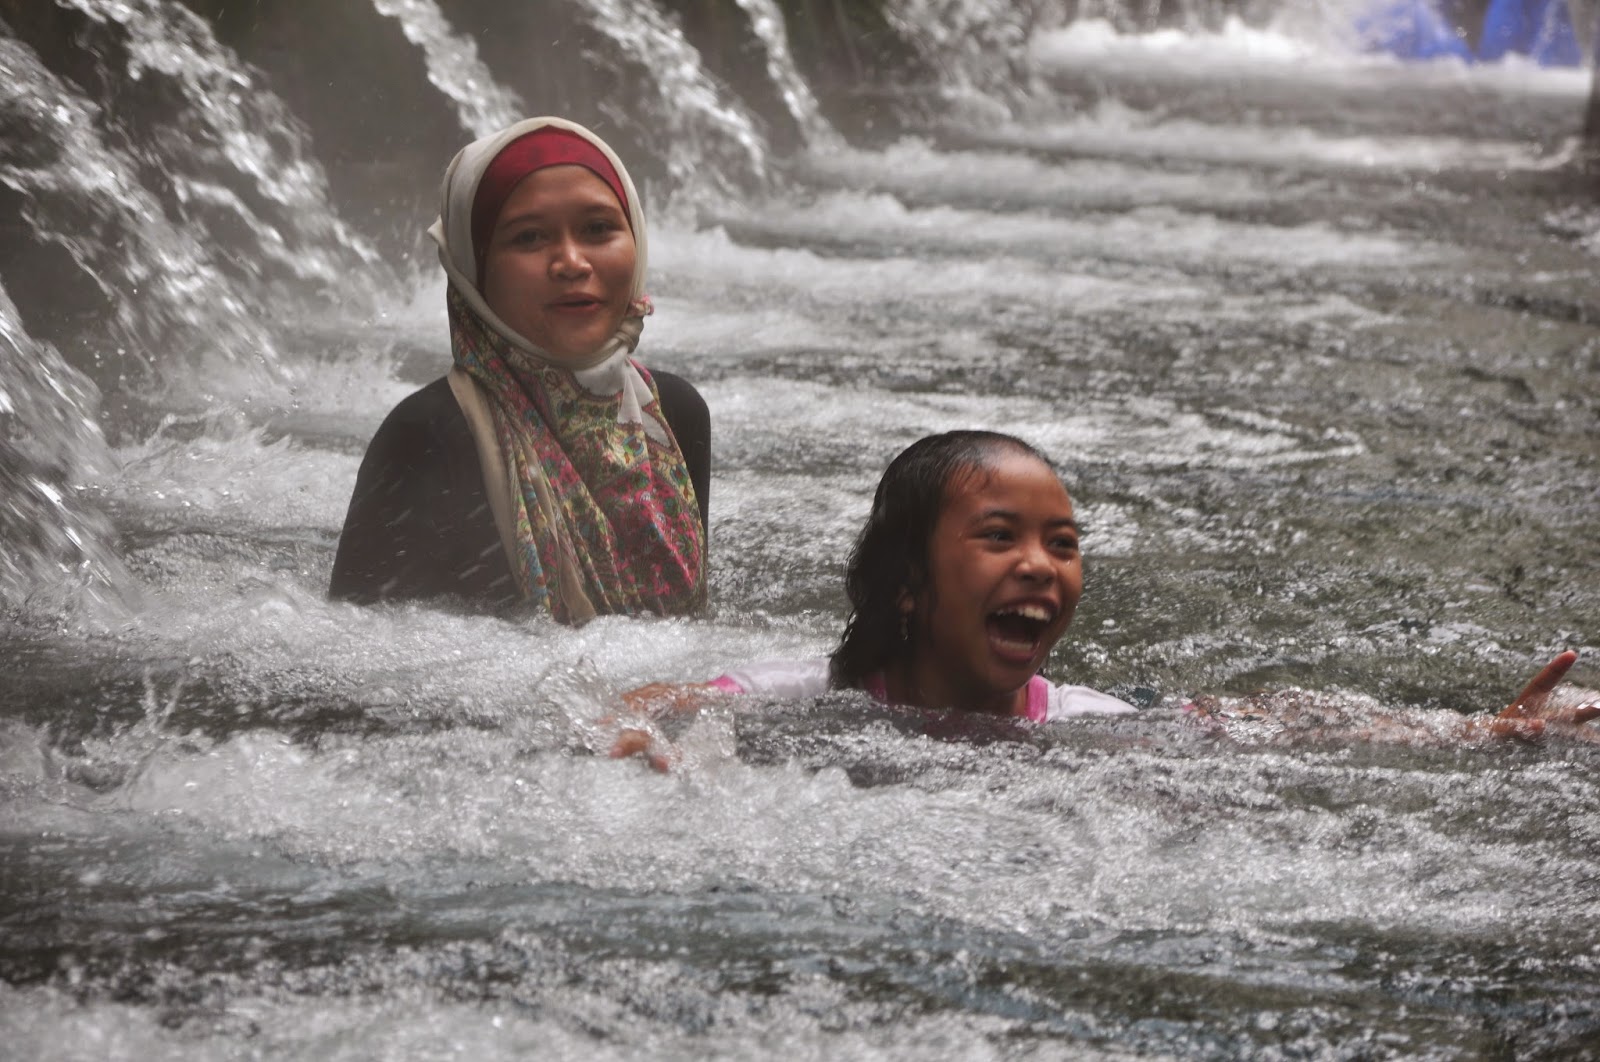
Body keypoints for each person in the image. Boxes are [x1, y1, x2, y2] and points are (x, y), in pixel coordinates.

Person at [611, 430, 1595, 769]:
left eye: (1064, 544)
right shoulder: (808, 700)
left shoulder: (1091, 725)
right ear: (908, 584)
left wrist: (1475, 732)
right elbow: (650, 702)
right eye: (999, 537)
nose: (1042, 565)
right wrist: (641, 748)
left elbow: (1278, 725)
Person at [330, 117, 708, 623]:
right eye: (529, 238)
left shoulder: (673, 417)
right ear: (476, 268)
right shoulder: (432, 436)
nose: (571, 262)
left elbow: (691, 635)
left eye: (598, 229)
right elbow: (358, 664)